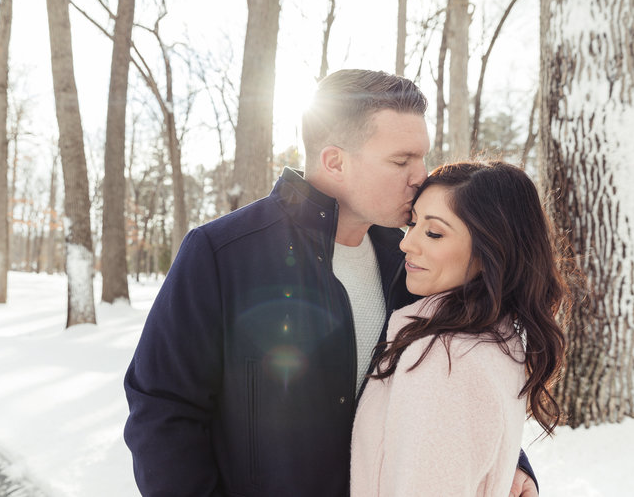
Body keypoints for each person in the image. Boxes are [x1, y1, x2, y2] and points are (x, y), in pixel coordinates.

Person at [123, 70, 539, 496]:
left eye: (422, 157)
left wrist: (509, 463)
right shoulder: (222, 253)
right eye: (402, 161)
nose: (421, 176)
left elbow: (453, 378)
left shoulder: (411, 261)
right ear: (335, 161)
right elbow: (162, 410)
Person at [351, 160, 566, 496]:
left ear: (490, 251)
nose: (406, 244)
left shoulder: (444, 360)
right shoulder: (495, 337)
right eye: (413, 223)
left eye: (434, 232)